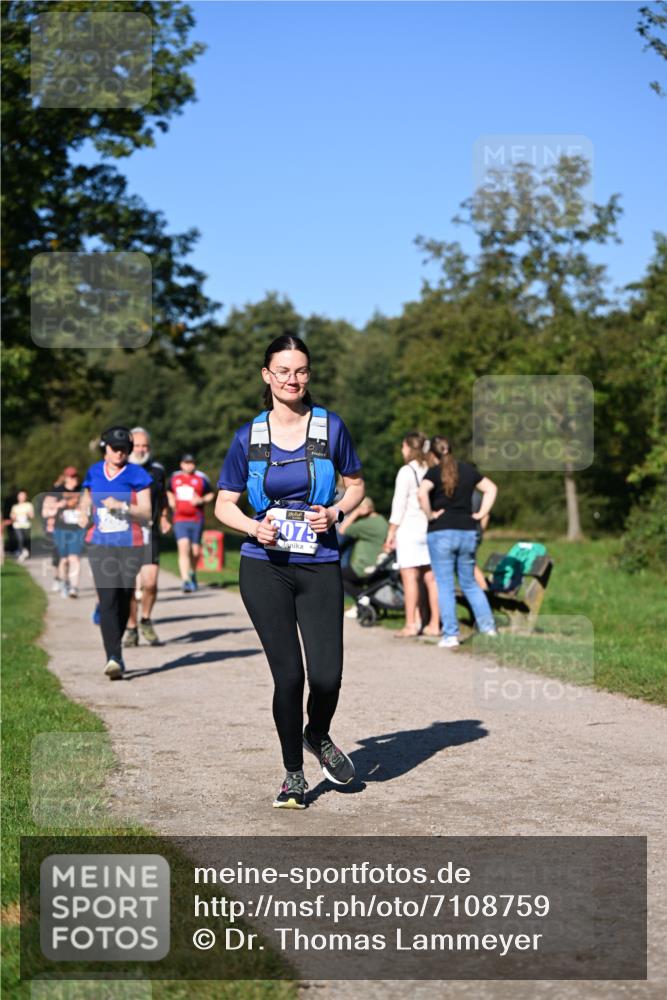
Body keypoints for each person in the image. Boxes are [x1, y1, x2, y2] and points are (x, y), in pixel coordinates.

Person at [215, 334, 365, 810]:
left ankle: (316, 734)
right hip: (265, 568)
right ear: (267, 375)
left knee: (327, 678)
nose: (292, 379)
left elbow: (356, 485)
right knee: (289, 677)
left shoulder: (331, 427)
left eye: (300, 370)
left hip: (320, 563)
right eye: (283, 371)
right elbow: (223, 504)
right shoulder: (248, 436)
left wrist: (337, 512)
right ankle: (293, 776)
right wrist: (253, 527)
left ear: (308, 374)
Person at [78, 426, 152, 679]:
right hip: (99, 543)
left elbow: (145, 511)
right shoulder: (94, 471)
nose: (119, 453)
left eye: (123, 449)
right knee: (108, 597)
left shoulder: (137, 474)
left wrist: (122, 505)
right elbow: (86, 497)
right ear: (105, 449)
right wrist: (82, 511)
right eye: (114, 448)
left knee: (124, 598)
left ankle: (115, 651)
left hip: (130, 543)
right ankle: (113, 656)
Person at [418, 436, 498, 649]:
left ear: (433, 455)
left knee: (444, 585)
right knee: (469, 583)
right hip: (467, 532)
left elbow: (421, 493)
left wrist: (430, 515)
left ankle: (451, 635)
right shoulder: (468, 470)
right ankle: (489, 628)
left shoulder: (433, 472)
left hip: (441, 532)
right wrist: (481, 513)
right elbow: (491, 488)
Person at [383, 432, 441, 638]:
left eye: (403, 447)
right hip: (430, 528)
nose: (402, 451)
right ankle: (434, 623)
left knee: (410, 579)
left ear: (408, 447)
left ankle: (411, 624)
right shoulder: (433, 469)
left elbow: (398, 506)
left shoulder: (406, 471)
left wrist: (391, 533)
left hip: (409, 530)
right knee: (431, 579)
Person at [123, 428, 171, 647]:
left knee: (150, 583)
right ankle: (131, 627)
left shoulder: (157, 470)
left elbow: (162, 496)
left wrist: (164, 517)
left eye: (145, 446)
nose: (141, 450)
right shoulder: (120, 468)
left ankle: (146, 619)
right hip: (124, 532)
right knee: (129, 586)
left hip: (149, 530)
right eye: (137, 446)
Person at [168, 454, 213, 593]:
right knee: (183, 546)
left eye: (191, 463)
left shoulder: (201, 478)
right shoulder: (174, 478)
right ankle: (185, 580)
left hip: (196, 518)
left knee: (195, 551)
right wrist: (171, 500)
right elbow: (168, 491)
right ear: (181, 464)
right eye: (186, 463)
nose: (189, 465)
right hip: (180, 518)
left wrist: (202, 500)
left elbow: (211, 494)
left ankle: (192, 573)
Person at [338, 497, 388, 602]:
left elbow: (342, 530)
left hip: (364, 566)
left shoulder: (367, 524)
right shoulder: (381, 520)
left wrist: (355, 513)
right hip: (379, 564)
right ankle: (364, 603)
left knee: (339, 576)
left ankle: (363, 598)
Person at [52, 466, 85, 597]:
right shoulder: (57, 490)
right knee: (64, 560)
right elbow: (49, 506)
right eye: (71, 477)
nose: (74, 479)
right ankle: (64, 581)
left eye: (75, 476)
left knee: (75, 558)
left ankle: (74, 587)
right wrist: (60, 504)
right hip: (61, 528)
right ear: (65, 478)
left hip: (77, 529)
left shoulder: (82, 489)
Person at [10, 490, 34, 561]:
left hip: (26, 525)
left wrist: (28, 514)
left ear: (25, 497)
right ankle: (21, 553)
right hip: (17, 525)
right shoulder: (15, 506)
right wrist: (14, 516)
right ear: (18, 497)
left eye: (23, 496)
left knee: (26, 540)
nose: (21, 497)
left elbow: (32, 515)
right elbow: (12, 515)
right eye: (20, 496)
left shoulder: (29, 505)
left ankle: (26, 551)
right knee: (20, 539)